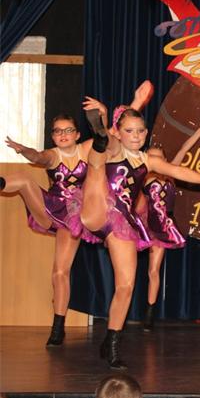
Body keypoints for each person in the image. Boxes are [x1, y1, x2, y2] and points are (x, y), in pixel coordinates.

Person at [1, 82, 153, 347]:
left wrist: (132, 104)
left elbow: (115, 134)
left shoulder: (86, 148)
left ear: (77, 133)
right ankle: (58, 327)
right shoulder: (53, 155)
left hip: (83, 213)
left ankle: (69, 329)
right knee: (59, 269)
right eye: (58, 131)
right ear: (52, 136)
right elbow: (38, 157)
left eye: (68, 130)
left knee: (66, 270)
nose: (63, 135)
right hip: (56, 211)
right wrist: (24, 150)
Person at [80, 105, 200, 369]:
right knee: (97, 160)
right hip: (98, 208)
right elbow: (112, 140)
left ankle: (111, 341)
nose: (136, 136)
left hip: (122, 222)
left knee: (126, 286)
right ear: (119, 133)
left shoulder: (148, 160)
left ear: (146, 133)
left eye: (140, 131)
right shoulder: (116, 148)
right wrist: (103, 124)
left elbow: (178, 171)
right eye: (129, 131)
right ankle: (99, 138)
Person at [139, 117, 200, 331]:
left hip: (161, 227)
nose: (154, 160)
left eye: (158, 157)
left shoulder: (171, 173)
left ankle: (149, 312)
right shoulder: (142, 176)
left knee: (153, 270)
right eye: (150, 157)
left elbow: (184, 149)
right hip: (143, 225)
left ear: (164, 160)